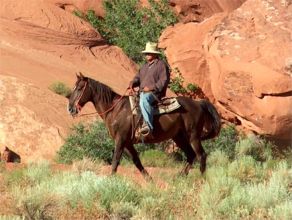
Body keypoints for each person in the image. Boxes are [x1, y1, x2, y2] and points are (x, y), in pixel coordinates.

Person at [128, 42, 170, 136]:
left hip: (155, 93)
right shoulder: (144, 67)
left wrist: (151, 88)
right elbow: (137, 78)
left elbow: (164, 80)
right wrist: (132, 84)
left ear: (155, 54)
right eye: (146, 53)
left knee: (144, 99)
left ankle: (148, 126)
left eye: (149, 53)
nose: (147, 55)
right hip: (142, 92)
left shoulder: (161, 65)